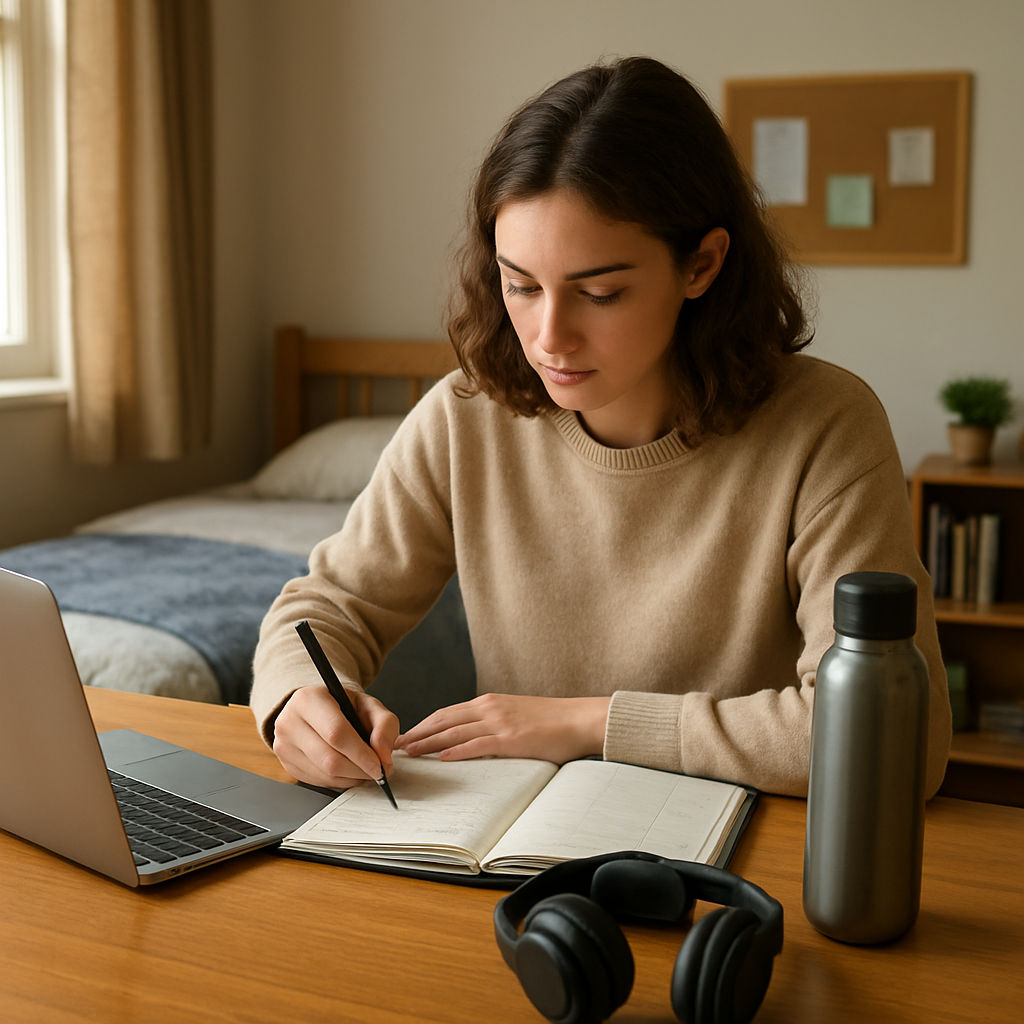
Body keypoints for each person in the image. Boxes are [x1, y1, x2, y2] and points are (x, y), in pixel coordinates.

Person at [251, 56, 951, 799]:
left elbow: (897, 736)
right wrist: (297, 698)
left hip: (744, 862)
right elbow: (324, 608)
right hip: (521, 858)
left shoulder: (826, 428)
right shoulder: (466, 416)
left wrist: (591, 724)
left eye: (601, 292)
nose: (549, 336)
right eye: (519, 285)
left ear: (703, 264)